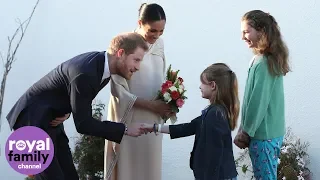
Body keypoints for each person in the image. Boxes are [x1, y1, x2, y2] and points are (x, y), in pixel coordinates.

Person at [6, 32, 149, 180]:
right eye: (136, 60)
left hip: (50, 122)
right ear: (121, 53)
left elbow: (68, 92)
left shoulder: (101, 67)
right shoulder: (87, 72)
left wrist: (67, 111)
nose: (138, 67)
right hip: (30, 123)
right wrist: (125, 129)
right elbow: (83, 124)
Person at [103, 3, 170, 180]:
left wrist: (169, 99)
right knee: (128, 168)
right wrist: (150, 105)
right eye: (152, 31)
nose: (156, 36)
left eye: (161, 31)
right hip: (129, 116)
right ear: (140, 22)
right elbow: (118, 90)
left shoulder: (160, 45)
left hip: (153, 120)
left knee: (150, 168)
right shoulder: (123, 44)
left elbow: (161, 77)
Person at [143, 63, 239, 180]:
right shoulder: (214, 111)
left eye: (202, 83)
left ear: (213, 85)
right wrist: (155, 127)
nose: (200, 87)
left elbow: (215, 154)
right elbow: (188, 128)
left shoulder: (215, 115)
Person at [235, 10, 290, 179]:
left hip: (263, 136)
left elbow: (257, 103)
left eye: (246, 31)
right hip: (266, 135)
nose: (243, 37)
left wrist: (246, 132)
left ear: (261, 31)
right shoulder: (262, 60)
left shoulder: (264, 63)